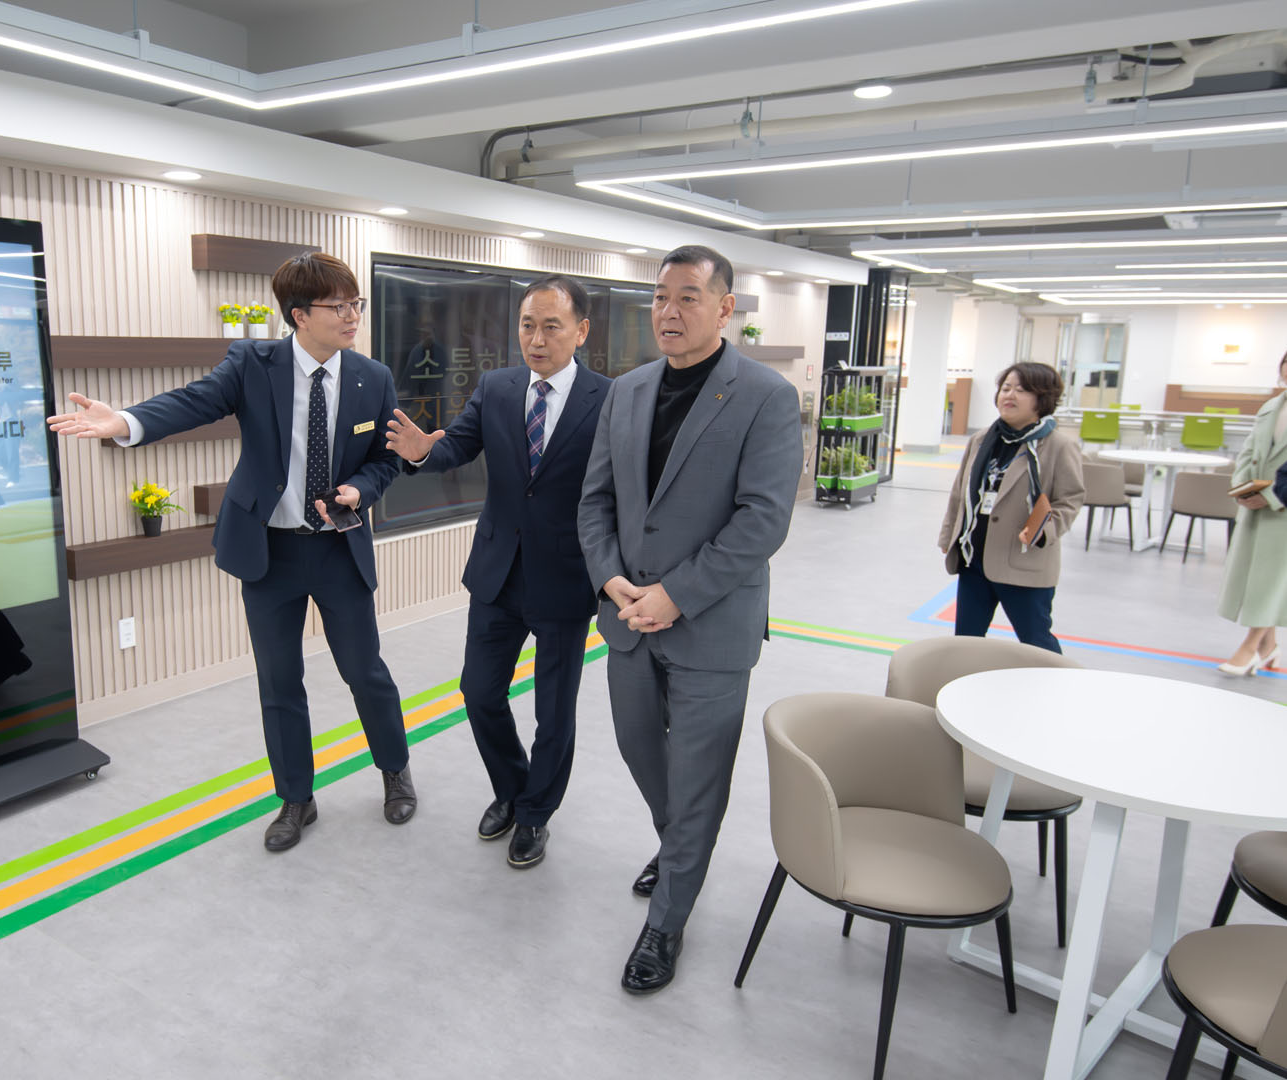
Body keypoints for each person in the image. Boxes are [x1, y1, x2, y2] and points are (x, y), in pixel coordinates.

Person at [47, 253, 416, 851]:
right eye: (338, 306)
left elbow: (386, 459)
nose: (353, 315)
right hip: (268, 552)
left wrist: (360, 489)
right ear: (299, 315)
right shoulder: (253, 363)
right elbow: (192, 401)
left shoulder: (371, 377)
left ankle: (395, 772)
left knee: (365, 672)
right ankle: (295, 799)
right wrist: (125, 423)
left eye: (357, 304)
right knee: (279, 681)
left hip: (338, 550)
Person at [577, 245, 802, 994]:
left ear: (725, 308)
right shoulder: (627, 390)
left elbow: (763, 519)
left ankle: (666, 922)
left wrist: (676, 594)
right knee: (642, 750)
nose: (668, 312)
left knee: (698, 778)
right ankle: (681, 849)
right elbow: (596, 500)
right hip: (628, 618)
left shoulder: (765, 396)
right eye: (660, 298)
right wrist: (610, 579)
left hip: (710, 624)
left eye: (688, 298)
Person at [384, 274, 610, 870]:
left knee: (553, 713)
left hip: (566, 578)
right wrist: (424, 451)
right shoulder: (498, 387)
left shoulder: (609, 398)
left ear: (581, 331)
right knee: (479, 692)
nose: (536, 339)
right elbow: (457, 444)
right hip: (497, 572)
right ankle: (511, 788)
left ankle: (535, 814)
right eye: (527, 325)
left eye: (552, 326)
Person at [937, 362, 1085, 654]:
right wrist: (948, 535)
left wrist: (1044, 531)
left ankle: (1054, 681)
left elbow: (1070, 499)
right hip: (974, 558)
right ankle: (965, 681)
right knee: (965, 642)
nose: (1009, 395)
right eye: (1006, 388)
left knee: (1037, 642)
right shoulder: (982, 439)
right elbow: (959, 493)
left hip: (1023, 561)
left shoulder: (1058, 446)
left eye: (1021, 390)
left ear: (1043, 398)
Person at [1215, 351, 1287, 676]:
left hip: (1280, 506)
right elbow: (1249, 449)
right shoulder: (1272, 406)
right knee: (1257, 578)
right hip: (1254, 504)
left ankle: (1250, 646)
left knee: (1273, 580)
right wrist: (1242, 485)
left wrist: (1270, 495)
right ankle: (1268, 646)